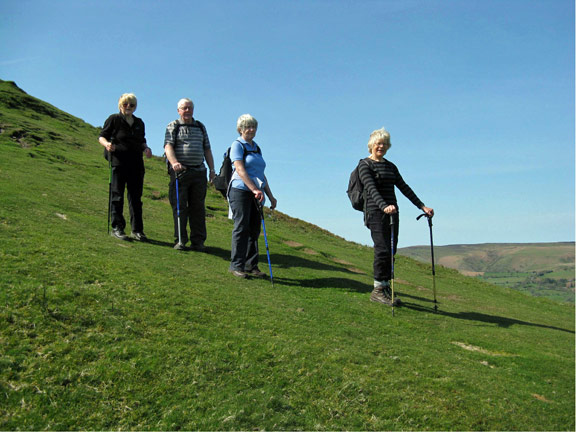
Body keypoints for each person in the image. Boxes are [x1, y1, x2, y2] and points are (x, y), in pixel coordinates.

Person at [359, 127, 434, 306]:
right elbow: (371, 189)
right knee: (382, 249)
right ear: (371, 145)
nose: (381, 147)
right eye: (378, 143)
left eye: (384, 144)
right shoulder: (364, 165)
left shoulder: (390, 166)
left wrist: (422, 206)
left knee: (391, 250)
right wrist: (384, 206)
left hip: (393, 212)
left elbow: (404, 187)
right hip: (375, 212)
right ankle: (377, 289)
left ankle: (385, 286)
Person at [228, 114, 277, 278]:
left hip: (256, 192)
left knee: (254, 229)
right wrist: (253, 189)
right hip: (240, 190)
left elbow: (261, 174)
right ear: (240, 129)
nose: (251, 130)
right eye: (248, 126)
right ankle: (237, 265)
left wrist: (270, 195)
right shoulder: (237, 145)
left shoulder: (256, 147)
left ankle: (251, 265)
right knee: (241, 226)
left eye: (253, 127)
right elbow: (240, 170)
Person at [164, 98, 216, 251]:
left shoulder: (200, 127)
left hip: (199, 172)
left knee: (198, 208)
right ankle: (180, 240)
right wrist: (174, 162)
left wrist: (212, 170)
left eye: (190, 108)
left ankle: (198, 241)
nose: (187, 111)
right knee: (180, 207)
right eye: (184, 108)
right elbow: (168, 146)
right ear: (178, 110)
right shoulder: (173, 126)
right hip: (180, 172)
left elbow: (207, 149)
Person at [99, 93, 152, 241]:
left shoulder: (139, 122)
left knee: (136, 197)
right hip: (118, 162)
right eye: (125, 104)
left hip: (136, 164)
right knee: (117, 195)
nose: (128, 107)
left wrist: (146, 149)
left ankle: (137, 230)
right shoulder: (114, 119)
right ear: (120, 105)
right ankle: (117, 228)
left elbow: (142, 140)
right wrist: (107, 144)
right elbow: (102, 136)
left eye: (132, 105)